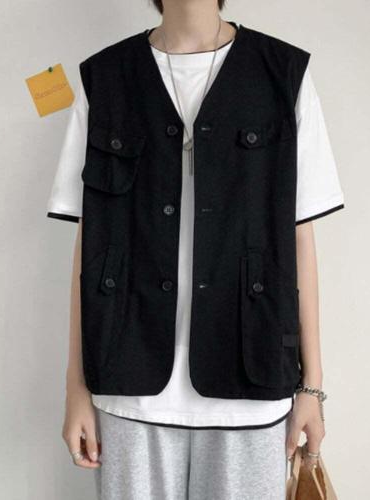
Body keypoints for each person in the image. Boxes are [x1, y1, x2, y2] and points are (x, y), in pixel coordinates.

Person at [46, 1, 345, 498]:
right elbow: (88, 245)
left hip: (251, 384)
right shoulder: (104, 77)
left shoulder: (284, 73)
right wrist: (75, 386)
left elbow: (299, 239)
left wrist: (311, 387)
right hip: (127, 384)